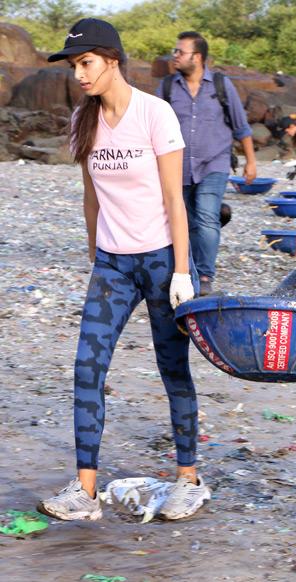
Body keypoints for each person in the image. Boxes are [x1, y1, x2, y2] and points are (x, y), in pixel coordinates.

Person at [37, 18, 210, 522]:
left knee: (172, 368)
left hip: (162, 260)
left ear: (112, 59)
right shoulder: (82, 121)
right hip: (113, 265)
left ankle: (188, 478)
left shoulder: (156, 115)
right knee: (87, 369)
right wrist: (96, 251)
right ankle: (85, 491)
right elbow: (92, 194)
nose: (80, 75)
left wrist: (182, 271)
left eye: (86, 63)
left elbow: (176, 200)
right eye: (74, 66)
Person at [159, 31, 257, 296]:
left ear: (198, 57)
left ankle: (204, 277)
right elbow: (153, 127)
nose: (175, 56)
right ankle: (185, 271)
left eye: (180, 51)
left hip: (215, 163)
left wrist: (251, 162)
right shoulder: (168, 87)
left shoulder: (222, 86)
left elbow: (241, 126)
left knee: (205, 216)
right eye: (175, 51)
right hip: (177, 166)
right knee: (184, 220)